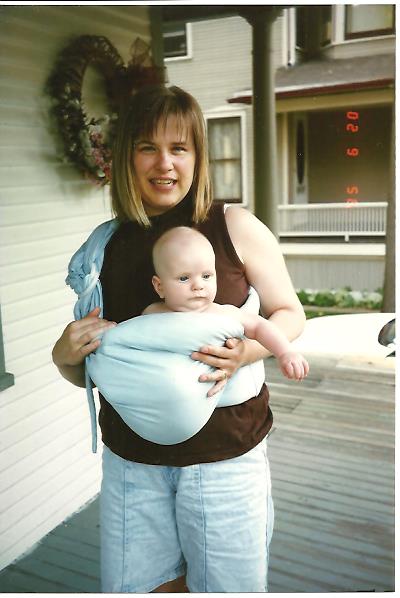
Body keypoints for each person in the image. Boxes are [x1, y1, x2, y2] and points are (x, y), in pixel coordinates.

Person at [52, 84, 307, 593]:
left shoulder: (234, 227)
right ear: (127, 157)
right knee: (141, 588)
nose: (163, 163)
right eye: (148, 147)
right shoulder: (107, 245)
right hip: (133, 463)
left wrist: (248, 352)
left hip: (226, 456)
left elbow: (289, 312)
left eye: (179, 148)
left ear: (197, 156)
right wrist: (63, 357)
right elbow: (96, 360)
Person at [146, 225, 309, 382]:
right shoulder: (151, 314)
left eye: (206, 276)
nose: (198, 285)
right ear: (160, 287)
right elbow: (128, 340)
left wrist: (285, 352)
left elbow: (260, 326)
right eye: (184, 278)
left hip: (219, 394)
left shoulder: (223, 313)